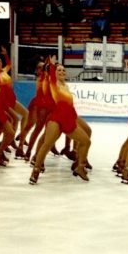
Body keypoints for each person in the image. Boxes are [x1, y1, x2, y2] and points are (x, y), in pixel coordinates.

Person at [29, 56, 92, 184]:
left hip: (69, 119)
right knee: (47, 144)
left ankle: (80, 167)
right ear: (54, 73)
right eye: (59, 70)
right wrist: (51, 65)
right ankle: (35, 170)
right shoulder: (53, 82)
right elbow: (51, 74)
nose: (62, 72)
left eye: (63, 70)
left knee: (86, 141)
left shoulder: (66, 86)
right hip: (56, 118)